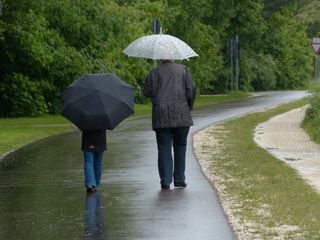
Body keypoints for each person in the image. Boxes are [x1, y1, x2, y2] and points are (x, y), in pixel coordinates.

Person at [143, 60, 196, 190]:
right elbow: (191, 90)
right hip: (182, 114)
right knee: (180, 146)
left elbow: (146, 92)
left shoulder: (154, 72)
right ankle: (179, 179)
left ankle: (165, 180)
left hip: (161, 115)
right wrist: (189, 106)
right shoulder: (183, 70)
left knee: (163, 147)